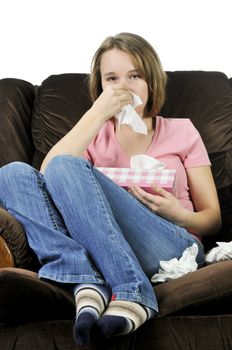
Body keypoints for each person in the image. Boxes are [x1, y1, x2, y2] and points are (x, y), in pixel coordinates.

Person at [0, 32, 221, 346]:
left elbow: (212, 218)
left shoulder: (182, 131)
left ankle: (132, 289)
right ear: (100, 86)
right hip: (103, 251)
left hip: (171, 246)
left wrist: (180, 214)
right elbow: (47, 175)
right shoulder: (95, 135)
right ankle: (84, 280)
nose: (124, 87)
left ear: (152, 80)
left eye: (135, 76)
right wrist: (96, 114)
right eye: (112, 79)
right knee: (12, 174)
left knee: (65, 164)